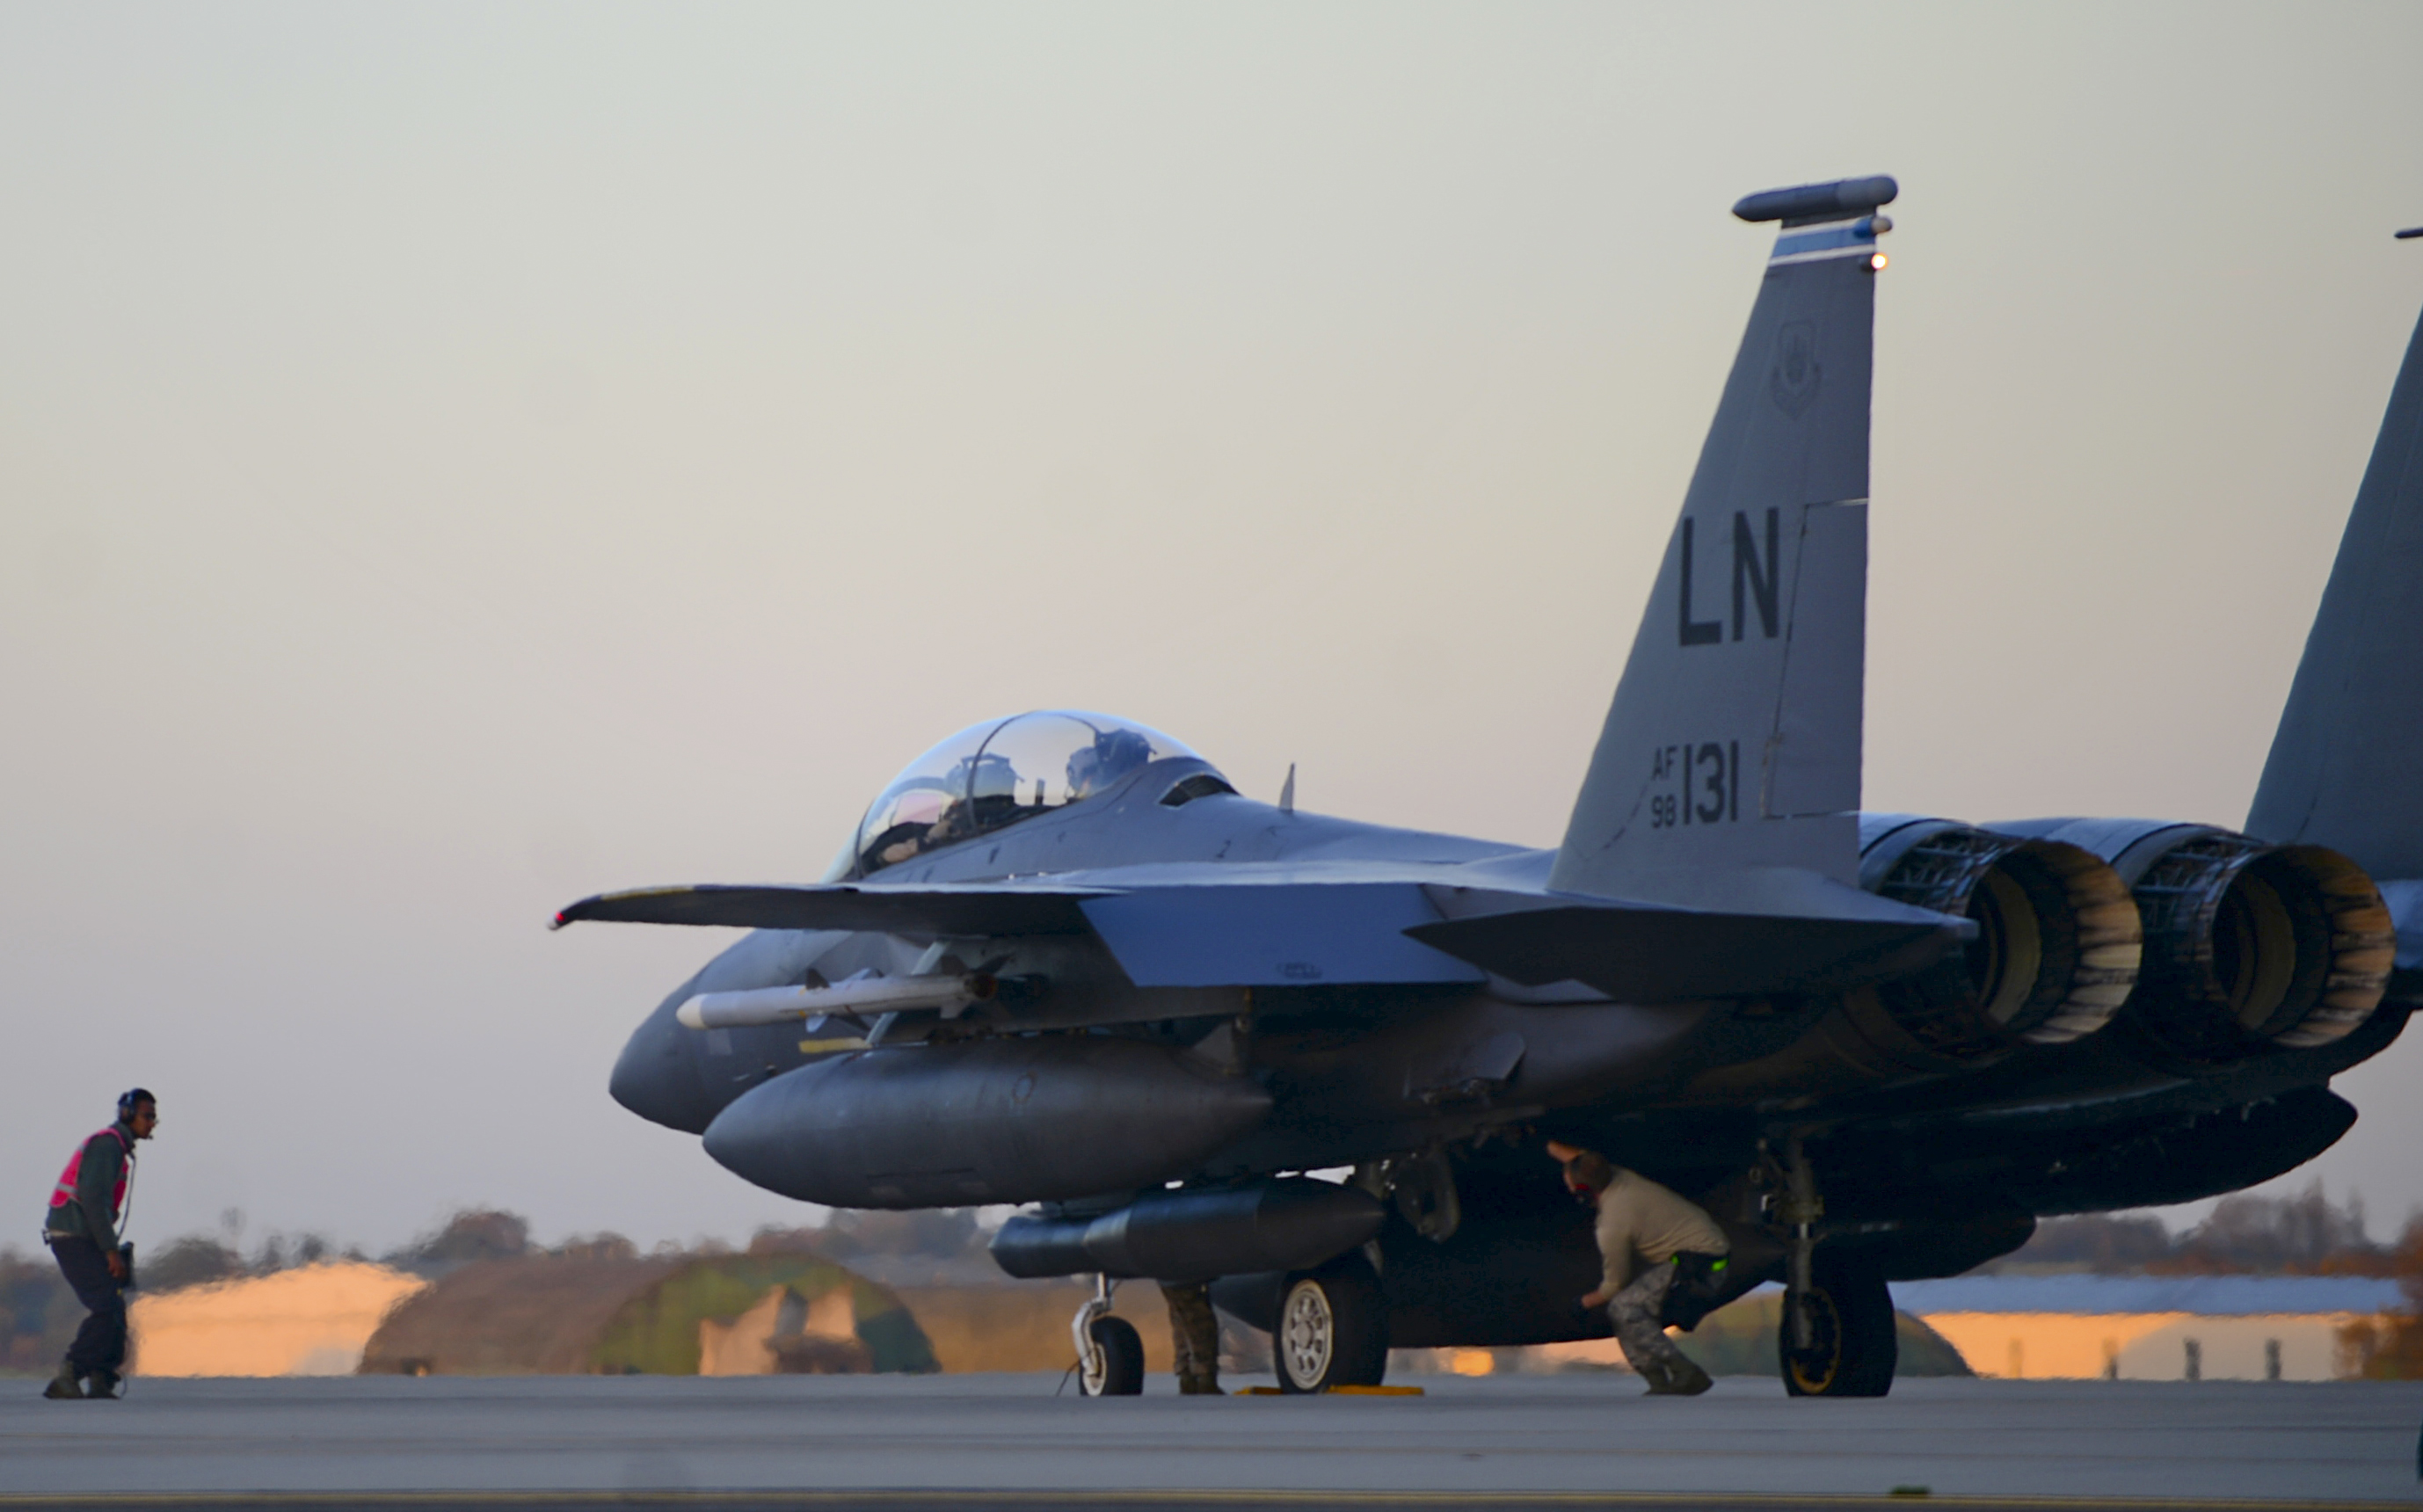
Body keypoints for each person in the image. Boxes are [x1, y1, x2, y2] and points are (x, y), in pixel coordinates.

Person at [1547, 1139, 1725, 1397]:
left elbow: (1614, 1285)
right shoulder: (1615, 1175)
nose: (1566, 1180)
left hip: (1701, 1260)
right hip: (1689, 1254)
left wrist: (1582, 1303)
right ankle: (1657, 1381)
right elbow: (1581, 1160)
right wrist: (1546, 1143)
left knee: (1623, 1306)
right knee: (1622, 1310)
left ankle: (1686, 1372)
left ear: (1583, 1191)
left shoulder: (1612, 1224)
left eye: (1569, 1180)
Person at [42, 1089, 157, 1400]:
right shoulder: (108, 1145)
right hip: (73, 1237)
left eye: (153, 1117)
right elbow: (92, 1201)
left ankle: (101, 1377)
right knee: (106, 1306)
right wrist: (110, 1251)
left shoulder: (116, 1148)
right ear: (127, 1115)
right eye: (147, 1116)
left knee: (115, 1305)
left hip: (85, 1236)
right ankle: (70, 1373)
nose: (152, 1123)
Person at [1159, 1280, 1223, 1394]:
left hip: (1169, 1272)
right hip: (1185, 1274)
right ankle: (1205, 1377)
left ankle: (1187, 1376)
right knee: (1198, 1315)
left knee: (1180, 1315)